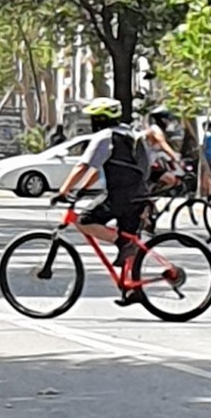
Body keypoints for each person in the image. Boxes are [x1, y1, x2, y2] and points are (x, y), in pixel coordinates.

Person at [54, 96, 150, 303]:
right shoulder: (133, 135)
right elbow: (97, 171)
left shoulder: (105, 137)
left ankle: (121, 242)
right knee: (130, 237)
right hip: (140, 195)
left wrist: (64, 190)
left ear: (101, 119)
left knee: (83, 220)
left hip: (120, 196)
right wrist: (82, 190)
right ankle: (132, 288)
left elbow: (84, 165)